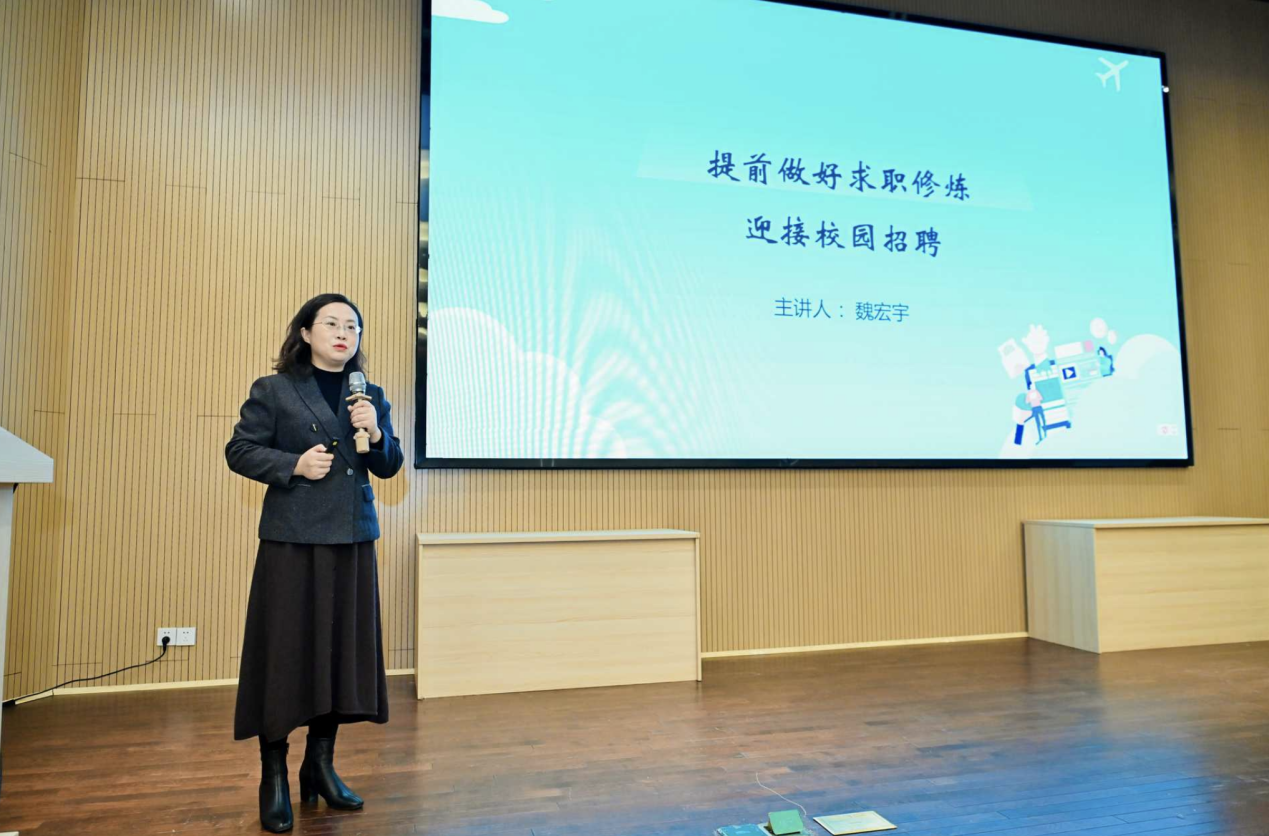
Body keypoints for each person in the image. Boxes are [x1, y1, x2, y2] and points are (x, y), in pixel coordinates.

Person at [225, 293, 404, 832]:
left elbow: (390, 465)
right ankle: (274, 775)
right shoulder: (275, 389)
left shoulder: (368, 395)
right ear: (305, 333)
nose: (343, 333)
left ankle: (319, 766)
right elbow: (239, 450)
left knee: (339, 655)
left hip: (351, 538)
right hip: (293, 542)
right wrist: (294, 465)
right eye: (332, 323)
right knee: (286, 653)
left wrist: (376, 432)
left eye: (352, 326)